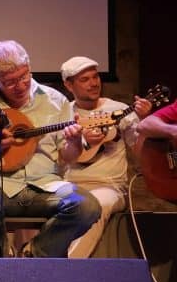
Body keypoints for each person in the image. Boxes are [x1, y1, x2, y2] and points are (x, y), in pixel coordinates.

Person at [0, 40, 100, 258]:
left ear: (29, 68)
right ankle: (4, 262)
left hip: (46, 187)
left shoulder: (55, 100)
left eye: (24, 76)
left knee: (86, 206)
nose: (21, 86)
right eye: (10, 82)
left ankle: (33, 256)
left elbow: (68, 156)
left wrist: (76, 141)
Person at [60, 56, 153, 258]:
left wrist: (145, 121)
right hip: (72, 185)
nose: (94, 84)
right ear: (68, 85)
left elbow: (141, 151)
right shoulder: (63, 113)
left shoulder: (118, 109)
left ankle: (68, 270)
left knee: (97, 205)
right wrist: (80, 141)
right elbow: (61, 157)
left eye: (95, 77)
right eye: (85, 80)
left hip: (109, 187)